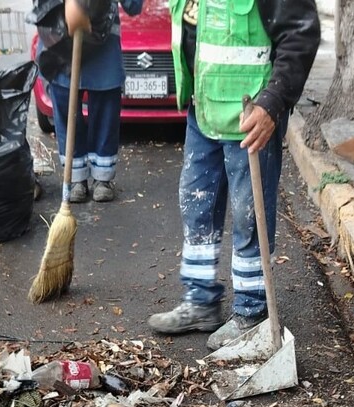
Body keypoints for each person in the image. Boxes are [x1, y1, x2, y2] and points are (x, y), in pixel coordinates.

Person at [147, 0, 320, 342]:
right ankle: (200, 302)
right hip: (206, 109)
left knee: (249, 216)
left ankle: (251, 314)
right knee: (196, 206)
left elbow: (300, 33)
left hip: (251, 117)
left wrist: (273, 103)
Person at [41, 0, 144, 203]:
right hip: (62, 43)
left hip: (103, 45)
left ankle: (102, 178)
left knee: (106, 110)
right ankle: (75, 177)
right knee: (65, 108)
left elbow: (134, 6)